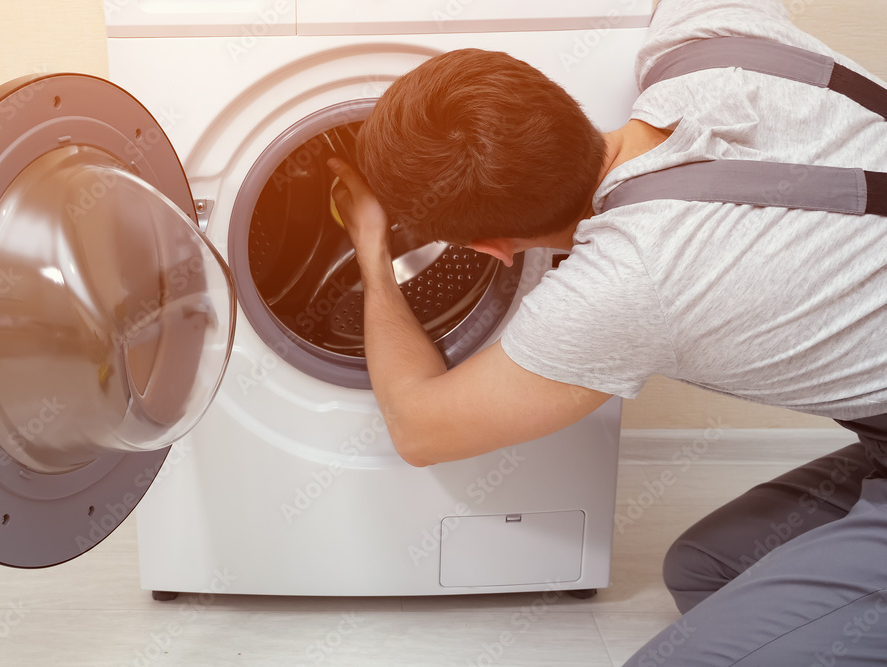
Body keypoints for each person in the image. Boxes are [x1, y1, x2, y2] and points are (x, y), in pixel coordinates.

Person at [328, 0, 887, 665]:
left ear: (492, 247)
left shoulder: (629, 278)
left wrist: (371, 244)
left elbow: (417, 426)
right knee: (702, 569)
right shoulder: (709, 37)